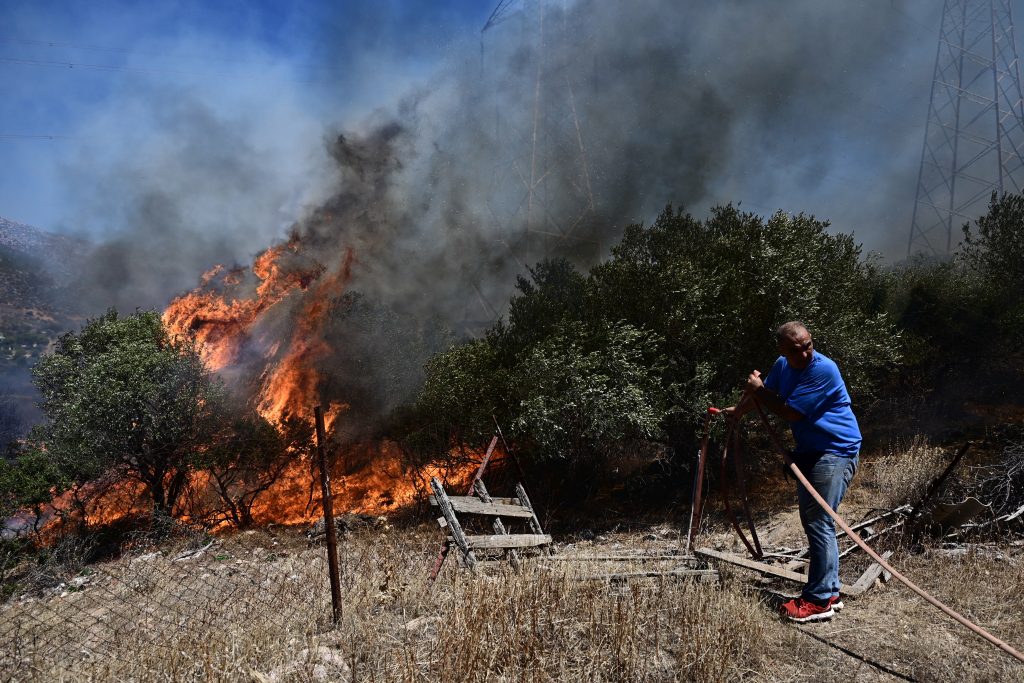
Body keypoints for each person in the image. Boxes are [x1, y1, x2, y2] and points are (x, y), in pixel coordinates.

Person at [726, 321, 861, 623]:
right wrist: (738, 411)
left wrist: (759, 390)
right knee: (818, 521)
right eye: (795, 349)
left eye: (808, 345)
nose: (804, 353)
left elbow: (790, 411)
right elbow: (766, 392)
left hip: (836, 450)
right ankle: (830, 591)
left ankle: (818, 601)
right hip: (811, 452)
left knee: (819, 521)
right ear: (781, 351)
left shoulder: (823, 370)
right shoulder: (783, 366)